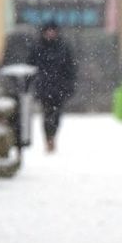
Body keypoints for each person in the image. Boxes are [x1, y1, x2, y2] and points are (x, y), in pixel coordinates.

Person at [26, 20, 77, 153]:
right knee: (47, 114)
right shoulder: (37, 47)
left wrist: (69, 85)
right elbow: (31, 67)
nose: (50, 33)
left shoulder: (63, 47)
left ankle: (53, 136)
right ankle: (49, 138)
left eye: (52, 30)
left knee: (57, 114)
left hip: (59, 87)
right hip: (44, 87)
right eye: (48, 30)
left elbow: (70, 69)